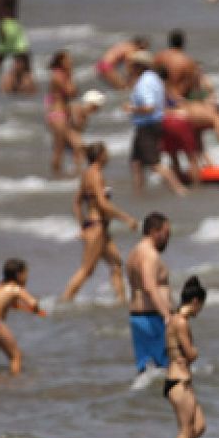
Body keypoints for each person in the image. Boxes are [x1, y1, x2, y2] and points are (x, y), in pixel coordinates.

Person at [60, 144, 138, 304]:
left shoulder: (87, 174)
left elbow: (77, 202)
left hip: (98, 228)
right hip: (97, 228)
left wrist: (83, 224)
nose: (108, 156)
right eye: (106, 153)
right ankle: (63, 302)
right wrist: (126, 218)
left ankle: (121, 302)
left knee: (116, 264)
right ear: (100, 156)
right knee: (87, 270)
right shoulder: (96, 175)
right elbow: (103, 204)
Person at [126, 52, 186, 195]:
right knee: (136, 163)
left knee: (154, 164)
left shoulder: (143, 83)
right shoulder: (154, 79)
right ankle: (139, 192)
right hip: (150, 124)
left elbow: (149, 107)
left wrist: (131, 108)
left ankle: (179, 189)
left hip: (147, 125)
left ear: (139, 66)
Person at [0, 258, 45, 376]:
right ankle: (14, 385)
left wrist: (20, 307)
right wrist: (37, 310)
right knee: (16, 356)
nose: (27, 278)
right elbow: (33, 303)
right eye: (26, 274)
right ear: (19, 275)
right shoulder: (16, 288)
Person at [124, 213, 173, 373]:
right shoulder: (149, 254)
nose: (168, 239)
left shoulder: (134, 253)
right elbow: (149, 286)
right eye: (166, 234)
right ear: (154, 231)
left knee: (145, 371)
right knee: (167, 371)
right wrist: (168, 317)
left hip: (138, 318)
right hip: (153, 319)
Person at [165, 276, 207, 438]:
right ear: (195, 301)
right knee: (186, 430)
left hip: (180, 380)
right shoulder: (181, 322)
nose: (200, 311)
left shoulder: (174, 318)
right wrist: (195, 352)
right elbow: (190, 354)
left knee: (200, 425)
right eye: (201, 306)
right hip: (178, 382)